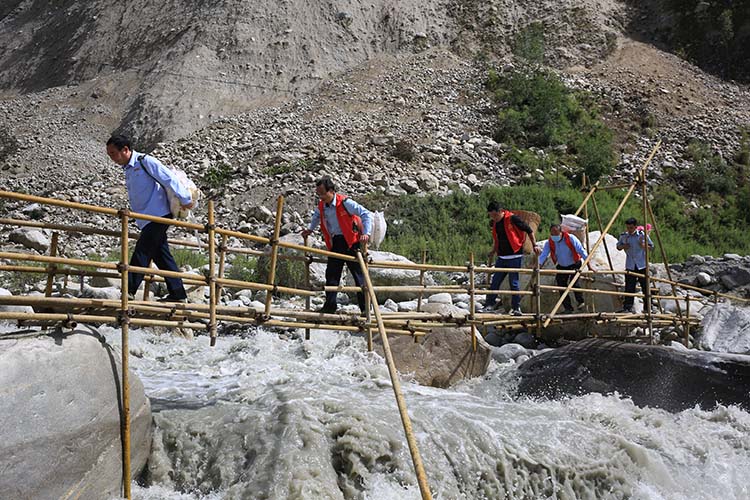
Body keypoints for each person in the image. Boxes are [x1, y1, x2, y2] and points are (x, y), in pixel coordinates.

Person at [106, 134, 193, 302]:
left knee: (142, 250)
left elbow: (168, 178)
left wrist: (185, 198)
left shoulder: (145, 161)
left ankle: (128, 290)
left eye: (113, 153)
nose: (112, 158)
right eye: (109, 154)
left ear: (125, 150)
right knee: (161, 255)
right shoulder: (129, 169)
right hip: (145, 218)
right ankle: (178, 294)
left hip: (158, 214)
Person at [302, 176, 372, 314]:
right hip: (337, 242)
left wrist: (366, 233)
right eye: (319, 194)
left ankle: (365, 309)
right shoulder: (322, 206)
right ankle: (330, 306)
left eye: (323, 193)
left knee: (359, 275)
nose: (321, 197)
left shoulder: (345, 202)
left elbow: (366, 214)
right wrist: (310, 229)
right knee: (332, 274)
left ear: (331, 191)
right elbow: (317, 217)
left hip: (352, 242)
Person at [483, 202, 540, 315]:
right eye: (491, 215)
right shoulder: (495, 223)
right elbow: (497, 239)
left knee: (513, 283)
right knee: (495, 281)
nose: (493, 218)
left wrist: (535, 245)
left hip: (514, 255)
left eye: (494, 215)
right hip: (502, 257)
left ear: (500, 211)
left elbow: (528, 230)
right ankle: (489, 304)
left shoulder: (513, 218)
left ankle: (516, 308)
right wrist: (493, 251)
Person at [538, 224, 593, 313]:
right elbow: (544, 254)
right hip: (562, 266)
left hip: (574, 264)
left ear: (561, 232)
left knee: (574, 282)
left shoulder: (570, 238)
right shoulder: (550, 242)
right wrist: (538, 265)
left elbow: (581, 251)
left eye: (556, 233)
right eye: (552, 234)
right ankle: (568, 308)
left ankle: (580, 301)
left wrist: (589, 266)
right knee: (561, 285)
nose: (554, 236)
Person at [616, 217, 655, 313]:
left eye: (631, 228)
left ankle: (648, 308)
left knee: (645, 287)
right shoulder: (624, 236)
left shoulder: (642, 235)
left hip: (642, 265)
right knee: (629, 287)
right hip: (630, 265)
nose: (629, 230)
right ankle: (628, 307)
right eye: (628, 228)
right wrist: (623, 246)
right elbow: (618, 246)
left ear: (635, 227)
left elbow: (651, 247)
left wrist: (643, 246)